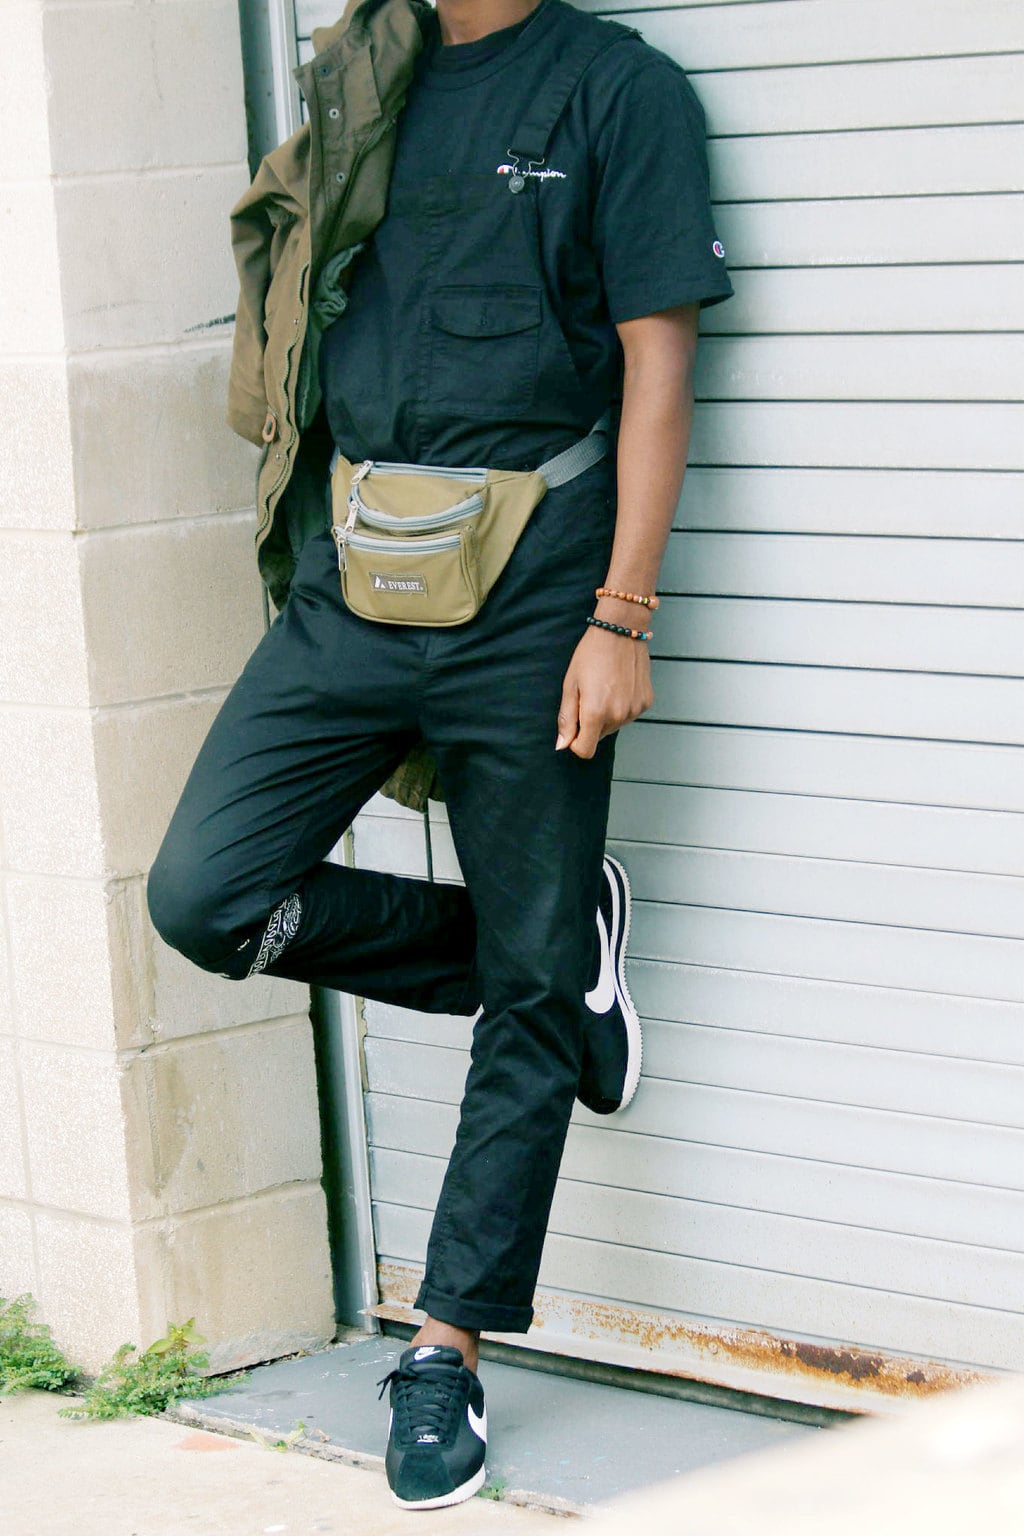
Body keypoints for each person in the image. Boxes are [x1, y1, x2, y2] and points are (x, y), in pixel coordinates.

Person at [148, 0, 732, 1511]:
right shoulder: (357, 77)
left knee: (532, 1001)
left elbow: (658, 363)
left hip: (539, 588)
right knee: (207, 893)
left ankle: (444, 1350)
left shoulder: (619, 90)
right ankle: (538, 955)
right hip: (356, 583)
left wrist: (623, 613)